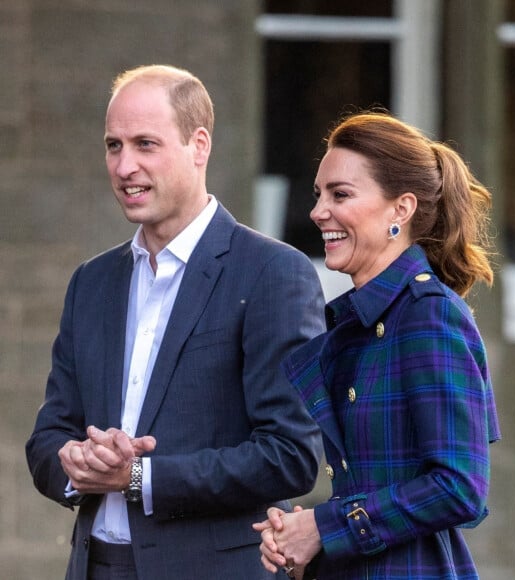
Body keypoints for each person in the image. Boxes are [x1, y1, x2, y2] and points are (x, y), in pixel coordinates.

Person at [25, 64, 326, 580]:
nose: (124, 167)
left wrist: (139, 476)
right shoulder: (91, 283)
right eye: (113, 146)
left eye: (145, 144)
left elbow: (290, 454)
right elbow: (48, 435)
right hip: (94, 567)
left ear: (199, 145)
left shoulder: (273, 273)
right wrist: (75, 463)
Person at [254, 111, 501, 580]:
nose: (317, 211)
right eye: (319, 194)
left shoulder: (428, 313)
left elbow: (461, 488)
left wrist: (323, 527)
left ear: (400, 209)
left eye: (340, 194)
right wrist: (302, 537)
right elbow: (371, 486)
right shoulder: (366, 320)